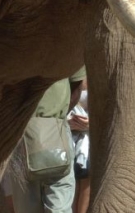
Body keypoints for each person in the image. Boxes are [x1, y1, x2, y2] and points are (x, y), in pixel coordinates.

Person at [8, 69, 85, 213]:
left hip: (20, 132)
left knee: (27, 206)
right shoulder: (65, 48)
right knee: (59, 205)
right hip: (55, 130)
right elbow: (77, 85)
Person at [67, 72, 90, 213]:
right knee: (70, 181)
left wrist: (91, 125)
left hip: (89, 137)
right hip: (67, 135)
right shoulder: (68, 70)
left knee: (87, 181)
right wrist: (66, 123)